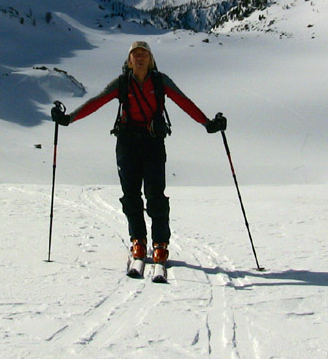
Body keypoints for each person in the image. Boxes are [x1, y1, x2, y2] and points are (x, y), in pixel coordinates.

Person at [51, 41, 226, 268]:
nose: (140, 58)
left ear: (151, 59)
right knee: (131, 195)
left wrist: (207, 123)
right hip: (127, 144)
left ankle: (160, 243)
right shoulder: (122, 83)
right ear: (129, 60)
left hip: (153, 143)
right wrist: (69, 118)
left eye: (144, 54)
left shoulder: (161, 82)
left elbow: (184, 101)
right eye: (136, 54)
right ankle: (139, 241)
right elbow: (97, 102)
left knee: (155, 195)